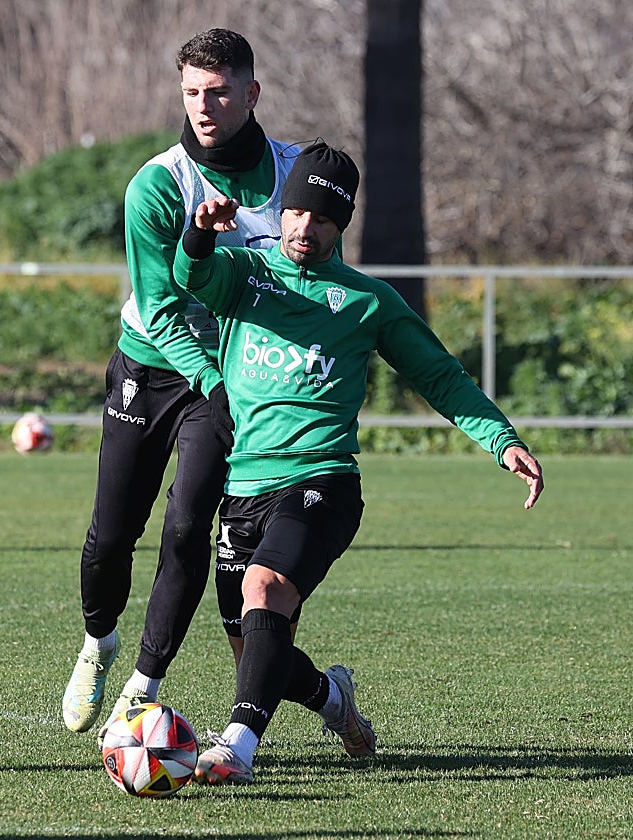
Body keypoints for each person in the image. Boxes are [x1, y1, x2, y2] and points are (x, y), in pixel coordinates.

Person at [171, 140, 545, 784]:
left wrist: (501, 439)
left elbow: (440, 376)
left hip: (322, 483)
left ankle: (236, 746)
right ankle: (334, 699)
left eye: (321, 218)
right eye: (296, 213)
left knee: (265, 590)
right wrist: (199, 237)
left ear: (341, 226)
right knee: (256, 644)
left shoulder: (368, 301)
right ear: (281, 210)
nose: (303, 228)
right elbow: (192, 278)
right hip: (244, 487)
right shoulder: (246, 274)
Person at [63, 28, 344, 747]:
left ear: (252, 93)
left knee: (189, 527)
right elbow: (157, 308)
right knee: (110, 536)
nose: (203, 105)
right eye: (191, 91)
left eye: (218, 91)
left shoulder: (294, 177)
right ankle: (100, 643)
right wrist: (214, 376)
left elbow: (316, 273)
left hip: (228, 381)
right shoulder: (159, 184)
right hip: (154, 367)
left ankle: (142, 687)